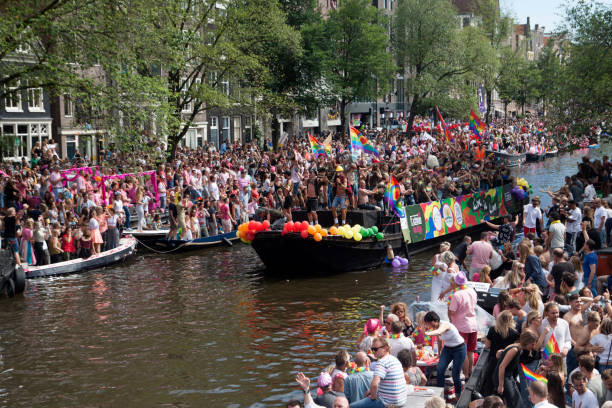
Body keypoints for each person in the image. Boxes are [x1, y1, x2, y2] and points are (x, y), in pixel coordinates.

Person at [350, 337, 407, 408]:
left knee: (351, 406)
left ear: (385, 348)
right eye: (372, 349)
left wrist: (373, 396)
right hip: (401, 401)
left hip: (387, 403)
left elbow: (374, 385)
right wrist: (371, 391)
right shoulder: (395, 360)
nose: (373, 352)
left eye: (376, 349)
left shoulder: (381, 362)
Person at [424, 311, 466, 400]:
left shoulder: (445, 325)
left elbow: (439, 331)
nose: (430, 327)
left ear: (435, 321)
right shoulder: (435, 329)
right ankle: (440, 394)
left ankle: (458, 394)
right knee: (440, 369)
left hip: (459, 348)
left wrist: (427, 333)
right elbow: (439, 340)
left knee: (455, 373)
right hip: (447, 348)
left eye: (429, 324)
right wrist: (439, 353)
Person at [495, 331, 538, 408]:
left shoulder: (516, 347)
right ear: (527, 342)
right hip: (503, 378)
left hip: (509, 377)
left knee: (516, 401)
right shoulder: (514, 350)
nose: (533, 346)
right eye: (532, 344)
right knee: (514, 402)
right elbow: (502, 366)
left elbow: (499, 355)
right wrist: (501, 385)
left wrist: (500, 352)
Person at [482, 310, 520, 396]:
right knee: (503, 387)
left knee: (489, 384)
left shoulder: (493, 329)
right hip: (507, 362)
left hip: (494, 360)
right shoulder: (515, 333)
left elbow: (487, 346)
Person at [448, 272, 478, 378]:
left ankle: (465, 375)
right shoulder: (472, 291)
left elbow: (452, 311)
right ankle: (470, 371)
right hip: (473, 324)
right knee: (470, 351)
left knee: (463, 352)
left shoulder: (457, 295)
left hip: (461, 326)